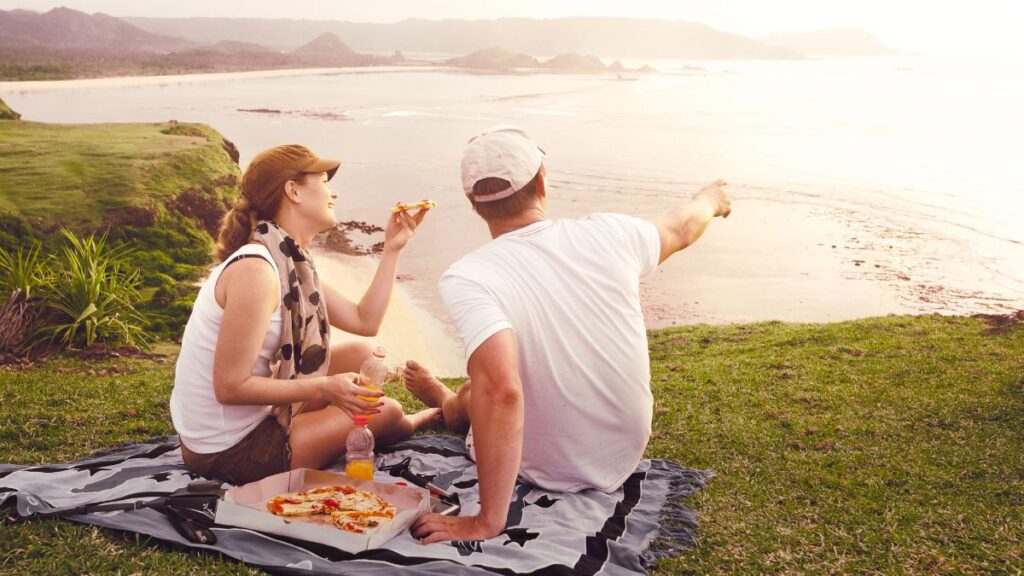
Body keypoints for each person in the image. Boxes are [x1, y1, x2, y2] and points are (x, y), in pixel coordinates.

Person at [407, 126, 732, 543]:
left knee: (480, 385)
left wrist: (486, 520)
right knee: (490, 378)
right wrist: (709, 199)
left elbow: (502, 391)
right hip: (620, 454)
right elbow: (683, 228)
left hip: (543, 462)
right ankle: (448, 400)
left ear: (473, 203)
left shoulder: (469, 275)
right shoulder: (610, 233)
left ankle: (448, 404)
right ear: (542, 181)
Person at [170, 144, 438, 486]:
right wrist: (326, 388)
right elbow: (229, 387)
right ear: (293, 190)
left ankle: (341, 422)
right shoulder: (257, 272)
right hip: (230, 452)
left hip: (250, 423)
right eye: (324, 181)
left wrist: (392, 249)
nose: (333, 192)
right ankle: (406, 423)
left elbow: (364, 321)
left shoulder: (289, 260)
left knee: (362, 354)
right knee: (388, 411)